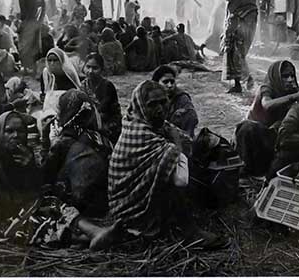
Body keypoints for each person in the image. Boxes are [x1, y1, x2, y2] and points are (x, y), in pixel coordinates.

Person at [0, 110, 121, 249]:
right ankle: (86, 238)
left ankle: (94, 232)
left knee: (51, 201)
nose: (16, 136)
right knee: (36, 224)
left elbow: (32, 191)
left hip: (14, 208)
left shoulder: (14, 153)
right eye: (9, 131)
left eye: (20, 131)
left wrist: (29, 167)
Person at [108, 81, 225, 248]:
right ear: (140, 106)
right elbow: (181, 180)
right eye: (152, 104)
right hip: (130, 211)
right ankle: (190, 233)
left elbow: (188, 141)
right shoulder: (140, 133)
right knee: (170, 171)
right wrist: (176, 145)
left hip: (140, 197)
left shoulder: (153, 125)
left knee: (176, 164)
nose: (160, 109)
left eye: (163, 102)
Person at [41, 89, 114, 216]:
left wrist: (44, 140)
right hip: (104, 203)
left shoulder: (62, 143)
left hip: (80, 208)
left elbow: (45, 175)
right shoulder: (101, 137)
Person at [234, 60, 299, 177]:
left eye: (292, 76)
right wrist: (294, 96)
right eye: (285, 76)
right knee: (248, 128)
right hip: (253, 137)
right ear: (276, 77)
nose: (290, 79)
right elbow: (267, 105)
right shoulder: (267, 88)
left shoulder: (292, 90)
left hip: (272, 137)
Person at [222, 0, 258, 94]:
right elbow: (229, 13)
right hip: (232, 31)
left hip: (241, 32)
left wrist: (240, 20)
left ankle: (247, 79)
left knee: (238, 56)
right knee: (231, 57)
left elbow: (252, 12)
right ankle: (237, 84)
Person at [80, 54, 122, 143]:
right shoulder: (82, 85)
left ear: (101, 69)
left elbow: (103, 109)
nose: (90, 71)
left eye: (95, 68)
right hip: (90, 119)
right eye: (88, 67)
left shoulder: (107, 86)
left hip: (107, 121)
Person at [152, 64, 199, 138]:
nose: (170, 85)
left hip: (178, 137)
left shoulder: (181, 98)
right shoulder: (150, 98)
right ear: (156, 83)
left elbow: (191, 119)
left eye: (172, 81)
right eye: (165, 82)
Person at [14, 0, 46, 74]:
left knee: (24, 47)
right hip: (35, 24)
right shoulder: (37, 1)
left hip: (26, 25)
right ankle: (34, 68)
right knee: (34, 46)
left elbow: (23, 14)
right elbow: (43, 3)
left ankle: (25, 69)